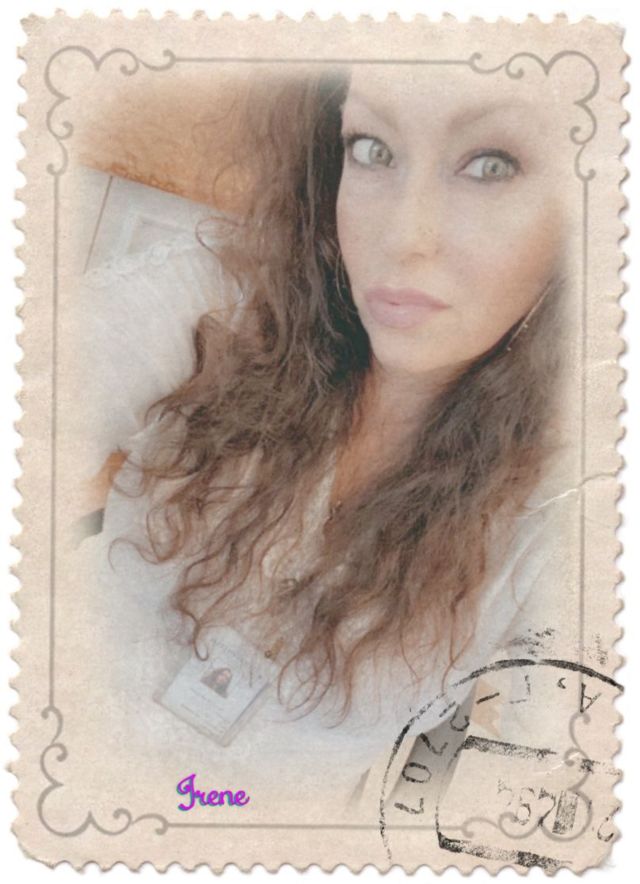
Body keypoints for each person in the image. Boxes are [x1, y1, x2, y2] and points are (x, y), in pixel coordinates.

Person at [70, 62, 576, 820]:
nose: (403, 237)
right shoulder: (226, 303)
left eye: (491, 165)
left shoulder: (572, 509)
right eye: (372, 149)